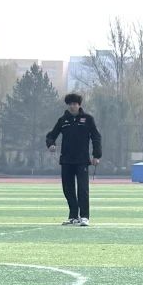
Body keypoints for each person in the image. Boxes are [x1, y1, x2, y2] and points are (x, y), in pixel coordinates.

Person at [45, 92, 101, 226]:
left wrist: (96, 155)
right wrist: (51, 144)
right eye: (70, 104)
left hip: (82, 161)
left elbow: (96, 137)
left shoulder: (88, 119)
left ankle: (84, 217)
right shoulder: (63, 120)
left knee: (83, 189)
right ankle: (73, 216)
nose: (72, 106)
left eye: (75, 104)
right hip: (66, 160)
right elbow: (51, 135)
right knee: (68, 189)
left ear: (79, 105)